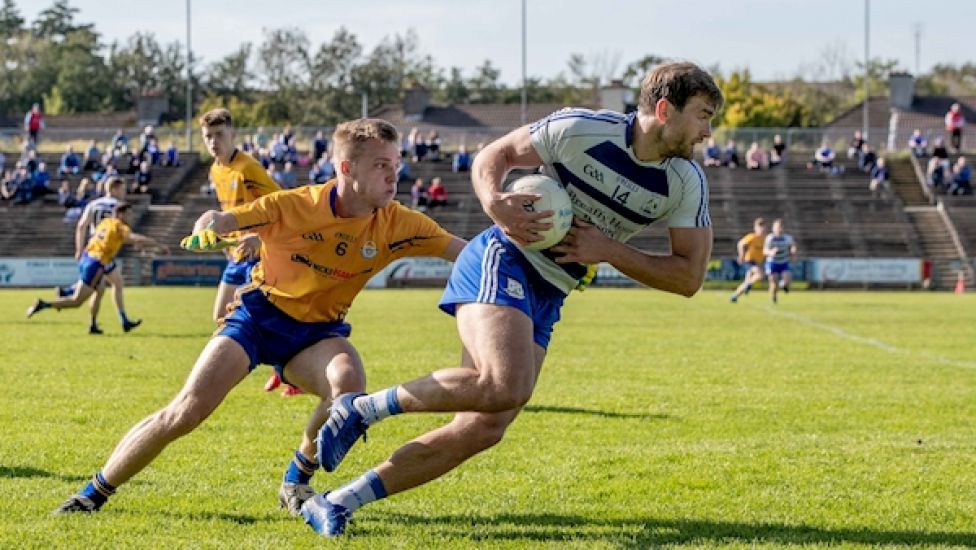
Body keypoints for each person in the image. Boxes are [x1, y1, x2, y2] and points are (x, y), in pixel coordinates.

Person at [303, 61, 721, 537]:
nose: (708, 131)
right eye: (703, 115)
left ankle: (335, 501)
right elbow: (492, 157)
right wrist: (493, 200)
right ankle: (360, 409)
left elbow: (688, 276)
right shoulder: (580, 129)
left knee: (483, 427)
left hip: (553, 289)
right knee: (506, 383)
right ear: (665, 110)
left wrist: (609, 251)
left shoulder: (686, 182)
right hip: (505, 257)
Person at [51, 117, 465, 517]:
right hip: (257, 318)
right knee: (187, 411)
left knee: (348, 389)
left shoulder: (399, 222)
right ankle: (93, 492)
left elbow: (463, 251)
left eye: (395, 164)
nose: (394, 176)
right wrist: (208, 225)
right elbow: (223, 219)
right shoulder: (294, 205)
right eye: (381, 165)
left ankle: (295, 482)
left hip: (318, 333)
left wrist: (519, 247)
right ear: (345, 167)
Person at [196, 108, 294, 395]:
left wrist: (259, 239)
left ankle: (288, 372)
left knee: (262, 318)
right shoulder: (215, 169)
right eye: (208, 136)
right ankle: (282, 369)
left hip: (260, 255)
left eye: (220, 135)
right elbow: (231, 212)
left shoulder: (248, 168)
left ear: (233, 135)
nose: (214, 142)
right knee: (220, 316)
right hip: (237, 255)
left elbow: (282, 207)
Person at [27, 203, 167, 331]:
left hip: (87, 257)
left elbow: (115, 239)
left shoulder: (106, 222)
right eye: (129, 214)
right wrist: (158, 245)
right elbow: (134, 238)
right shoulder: (120, 226)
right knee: (77, 301)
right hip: (96, 264)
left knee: (100, 290)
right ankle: (44, 304)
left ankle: (92, 323)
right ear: (120, 214)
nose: (131, 217)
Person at [729, 218, 767, 303]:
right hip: (749, 261)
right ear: (755, 228)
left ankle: (734, 296)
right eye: (760, 227)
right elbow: (740, 244)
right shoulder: (752, 237)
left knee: (747, 281)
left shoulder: (765, 238)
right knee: (760, 274)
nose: (762, 229)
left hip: (757, 262)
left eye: (763, 227)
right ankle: (749, 285)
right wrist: (741, 255)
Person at [763, 218, 797, 304]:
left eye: (781, 227)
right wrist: (771, 252)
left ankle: (783, 285)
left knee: (787, 279)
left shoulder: (787, 238)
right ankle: (773, 296)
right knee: (774, 283)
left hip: (783, 262)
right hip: (772, 262)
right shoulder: (770, 238)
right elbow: (765, 251)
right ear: (773, 228)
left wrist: (793, 252)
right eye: (777, 227)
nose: (779, 229)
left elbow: (792, 246)